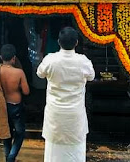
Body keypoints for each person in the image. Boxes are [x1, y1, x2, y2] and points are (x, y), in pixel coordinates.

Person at [36, 26, 95, 162]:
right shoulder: (83, 61)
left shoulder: (50, 59)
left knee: (54, 152)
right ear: (76, 43)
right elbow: (91, 77)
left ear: (58, 42)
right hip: (75, 114)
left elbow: (40, 73)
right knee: (75, 151)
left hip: (55, 113)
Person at [0, 44, 30, 162]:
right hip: (16, 106)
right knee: (20, 133)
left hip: (2, 106)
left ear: (1, 57)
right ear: (14, 58)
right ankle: (11, 157)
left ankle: (8, 157)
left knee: (6, 132)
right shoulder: (19, 72)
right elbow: (26, 91)